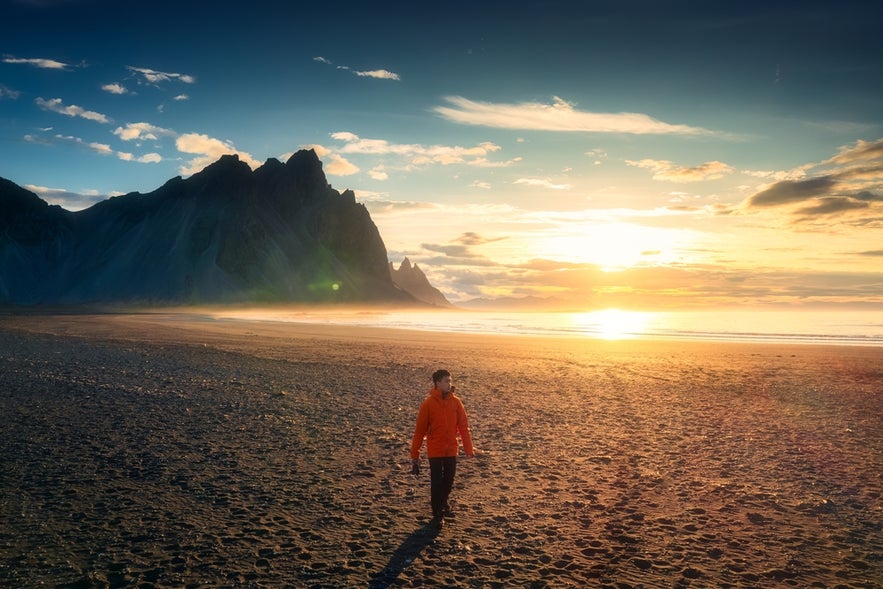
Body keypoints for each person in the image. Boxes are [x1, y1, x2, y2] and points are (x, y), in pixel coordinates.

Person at [410, 369, 475, 529]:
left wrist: (468, 448)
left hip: (451, 449)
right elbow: (420, 431)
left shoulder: (456, 402)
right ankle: (437, 511)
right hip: (435, 450)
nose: (449, 384)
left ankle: (443, 501)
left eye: (450, 380)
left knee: (449, 479)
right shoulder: (428, 404)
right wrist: (415, 454)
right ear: (437, 383)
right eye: (446, 381)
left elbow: (463, 426)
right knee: (436, 481)